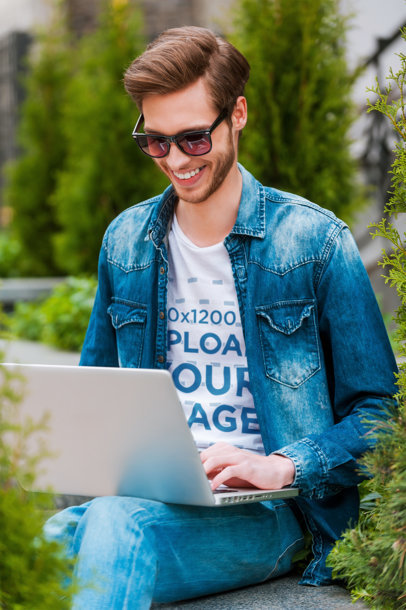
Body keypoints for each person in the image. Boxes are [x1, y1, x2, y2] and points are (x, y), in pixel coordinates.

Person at [44, 26, 397, 609]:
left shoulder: (315, 242)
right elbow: (95, 391)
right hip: (146, 500)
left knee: (109, 530)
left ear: (237, 114)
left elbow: (378, 411)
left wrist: (284, 465)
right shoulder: (126, 241)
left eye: (192, 139)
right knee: (43, 545)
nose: (175, 160)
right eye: (155, 142)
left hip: (273, 514)